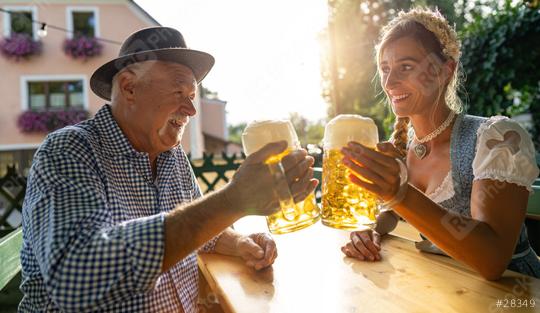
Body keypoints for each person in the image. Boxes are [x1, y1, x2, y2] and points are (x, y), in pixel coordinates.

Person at [19, 27, 317, 312]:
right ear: (129, 87)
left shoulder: (171, 155)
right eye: (179, 91)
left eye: (192, 96)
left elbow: (198, 228)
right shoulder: (69, 150)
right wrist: (233, 200)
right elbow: (74, 278)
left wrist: (239, 242)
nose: (191, 110)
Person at [340, 8, 540, 280]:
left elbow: (493, 259)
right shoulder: (401, 145)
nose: (389, 82)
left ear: (446, 70)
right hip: (439, 287)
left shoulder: (497, 139)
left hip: (513, 296)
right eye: (385, 69)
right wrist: (373, 228)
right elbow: (392, 213)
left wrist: (399, 194)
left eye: (406, 67)